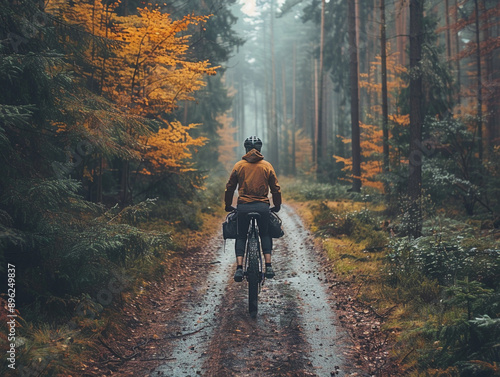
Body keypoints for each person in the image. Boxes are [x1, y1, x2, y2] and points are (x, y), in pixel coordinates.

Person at [224, 136, 282, 282]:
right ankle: (268, 265)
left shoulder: (239, 166)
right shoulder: (267, 166)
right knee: (265, 233)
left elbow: (230, 188)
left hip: (243, 207)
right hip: (263, 207)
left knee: (241, 236)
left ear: (246, 149)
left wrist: (227, 204)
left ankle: (238, 268)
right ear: (260, 149)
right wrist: (277, 205)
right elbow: (276, 189)